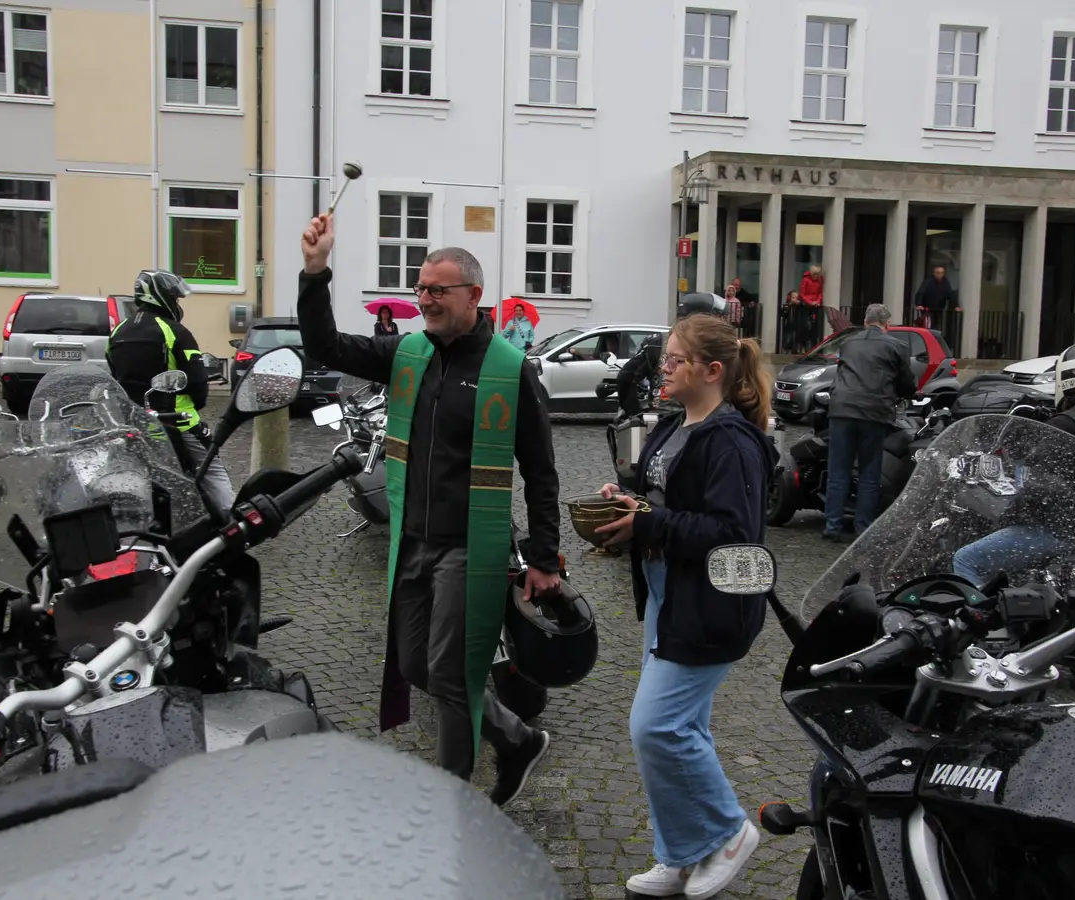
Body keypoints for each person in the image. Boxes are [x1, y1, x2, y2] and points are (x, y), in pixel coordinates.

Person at [297, 213, 561, 806]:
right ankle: (515, 739)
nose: (425, 299)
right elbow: (324, 346)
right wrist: (316, 272)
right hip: (410, 541)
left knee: (450, 674)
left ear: (474, 295)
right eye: (420, 288)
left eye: (438, 290)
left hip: (473, 545)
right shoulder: (407, 353)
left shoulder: (509, 370)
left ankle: (453, 804)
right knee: (415, 663)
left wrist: (544, 554)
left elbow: (542, 471)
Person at [594, 314, 776, 900]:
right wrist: (627, 502)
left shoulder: (731, 440)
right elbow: (663, 502)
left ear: (712, 370)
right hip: (667, 595)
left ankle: (727, 833)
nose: (663, 369)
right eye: (664, 359)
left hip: (711, 604)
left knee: (657, 725)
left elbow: (733, 531)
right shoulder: (673, 426)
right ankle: (679, 854)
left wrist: (651, 519)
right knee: (684, 726)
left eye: (675, 360)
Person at [951, 343, 1075, 585]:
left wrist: (1008, 514)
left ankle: (980, 618)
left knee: (966, 559)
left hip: (1064, 533)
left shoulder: (1066, 425)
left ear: (1067, 379)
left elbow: (1038, 487)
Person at [106, 269, 235, 515]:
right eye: (175, 298)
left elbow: (114, 378)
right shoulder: (174, 331)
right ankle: (231, 525)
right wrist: (196, 403)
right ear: (160, 296)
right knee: (213, 472)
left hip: (133, 424)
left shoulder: (116, 333)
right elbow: (198, 385)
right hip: (178, 423)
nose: (177, 304)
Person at [822, 304, 917, 542]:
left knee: (838, 470)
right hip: (874, 411)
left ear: (865, 322)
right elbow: (907, 383)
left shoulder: (848, 343)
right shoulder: (896, 346)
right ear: (887, 325)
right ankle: (863, 527)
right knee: (869, 471)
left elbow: (841, 373)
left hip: (842, 409)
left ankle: (832, 526)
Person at [615, 292, 728, 419]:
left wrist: (636, 415)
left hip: (664, 418)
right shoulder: (720, 346)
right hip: (702, 417)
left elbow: (626, 377)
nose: (666, 368)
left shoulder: (660, 341)